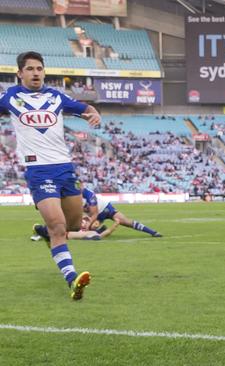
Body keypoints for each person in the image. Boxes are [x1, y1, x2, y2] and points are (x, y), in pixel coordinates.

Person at [0, 51, 100, 300]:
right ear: (19, 73)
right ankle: (72, 280)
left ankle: (46, 233)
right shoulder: (10, 98)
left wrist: (93, 113)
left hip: (65, 168)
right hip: (39, 170)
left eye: (40, 68)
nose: (36, 73)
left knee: (74, 225)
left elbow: (85, 107)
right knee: (58, 227)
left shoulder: (56, 97)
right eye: (31, 69)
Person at [82, 187, 162, 237]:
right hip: (96, 215)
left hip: (106, 208)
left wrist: (88, 223)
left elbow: (94, 213)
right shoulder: (73, 198)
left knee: (126, 222)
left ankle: (153, 232)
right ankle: (100, 230)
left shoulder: (88, 194)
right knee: (88, 229)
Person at [32, 216, 121, 241]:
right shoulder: (83, 222)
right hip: (65, 230)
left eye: (97, 225)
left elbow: (107, 232)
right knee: (41, 228)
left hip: (66, 234)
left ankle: (40, 231)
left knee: (44, 230)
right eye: (95, 223)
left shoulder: (94, 233)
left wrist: (116, 224)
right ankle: (38, 231)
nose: (95, 225)